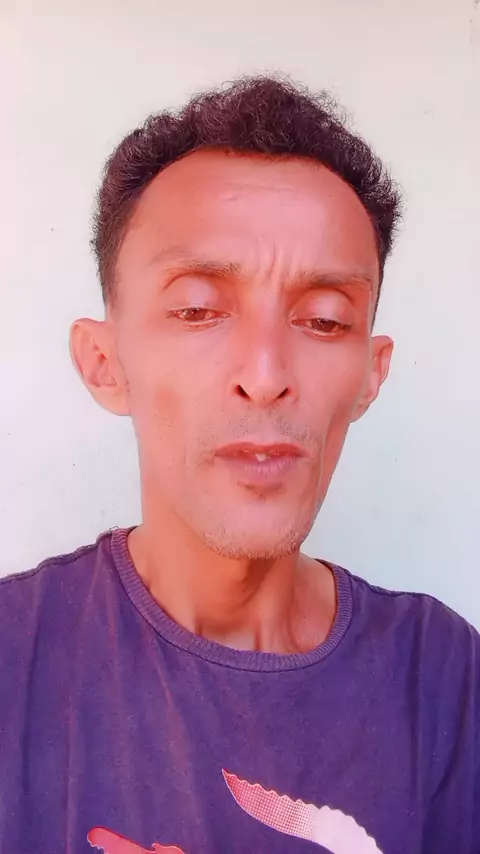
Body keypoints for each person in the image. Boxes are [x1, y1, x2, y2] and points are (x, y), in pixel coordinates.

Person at [0, 76, 478, 854]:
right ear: (104, 363)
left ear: (371, 375)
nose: (265, 373)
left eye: (324, 320)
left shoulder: (444, 679)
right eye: (197, 310)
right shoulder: (12, 661)